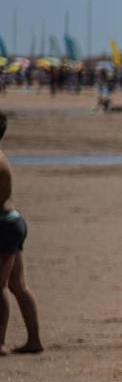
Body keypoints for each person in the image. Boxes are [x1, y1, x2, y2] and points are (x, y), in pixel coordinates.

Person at [0, 111, 44, 355]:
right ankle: (34, 340)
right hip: (11, 222)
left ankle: (0, 342)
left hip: (4, 225)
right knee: (17, 284)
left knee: (1, 286)